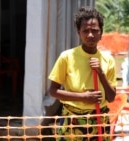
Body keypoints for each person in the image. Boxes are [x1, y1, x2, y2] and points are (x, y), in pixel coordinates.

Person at [48, 6, 117, 141]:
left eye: (95, 31)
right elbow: (53, 91)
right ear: (79, 33)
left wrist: (101, 73)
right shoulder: (67, 57)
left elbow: (111, 97)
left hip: (98, 120)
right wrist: (83, 97)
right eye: (85, 31)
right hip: (72, 121)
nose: (90, 35)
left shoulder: (108, 60)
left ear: (101, 33)